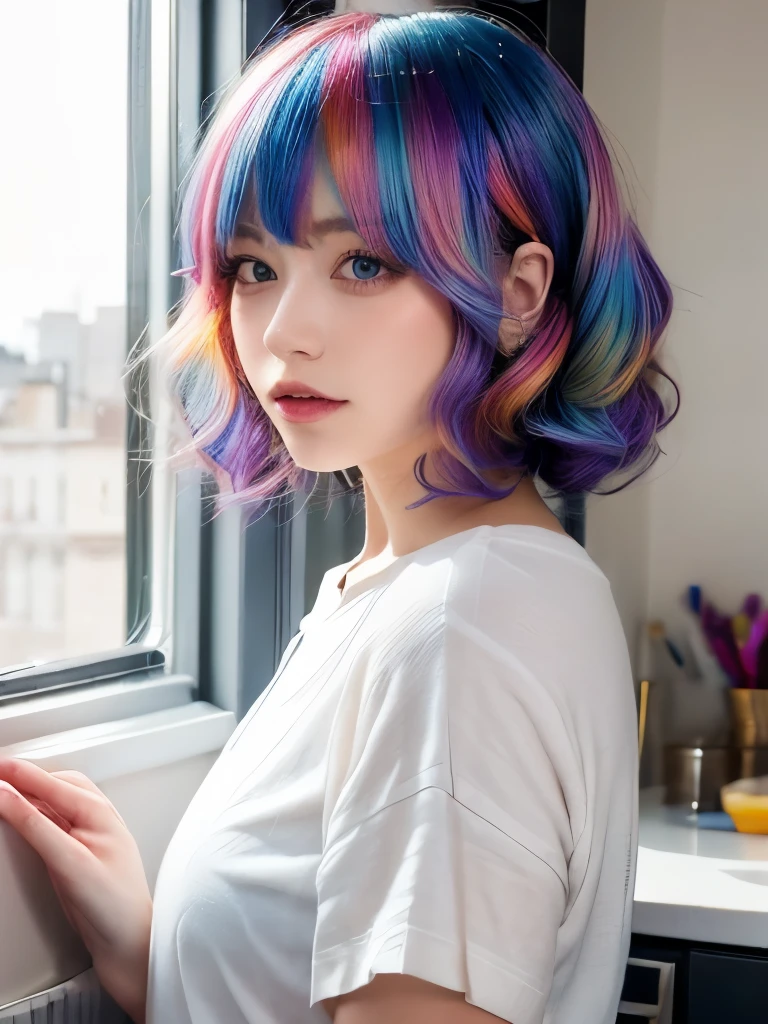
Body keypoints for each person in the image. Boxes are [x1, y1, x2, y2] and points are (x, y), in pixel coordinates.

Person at [0, 8, 680, 1024]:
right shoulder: (408, 591)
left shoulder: (461, 628)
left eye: (364, 264)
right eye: (252, 267)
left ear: (516, 291)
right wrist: (153, 949)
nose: (283, 332)